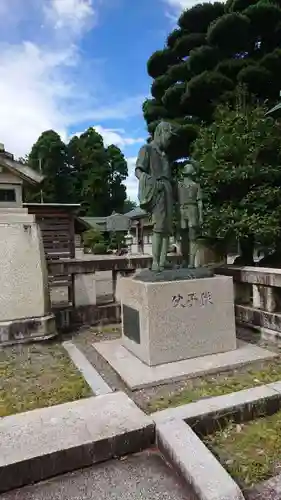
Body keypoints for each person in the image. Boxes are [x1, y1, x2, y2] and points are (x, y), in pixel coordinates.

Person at [135, 121, 174, 271]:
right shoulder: (147, 149)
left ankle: (164, 260)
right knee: (158, 226)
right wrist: (151, 183)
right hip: (156, 189)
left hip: (167, 190)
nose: (169, 141)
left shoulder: (165, 154)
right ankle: (156, 262)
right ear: (161, 133)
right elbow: (139, 171)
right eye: (168, 136)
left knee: (167, 227)